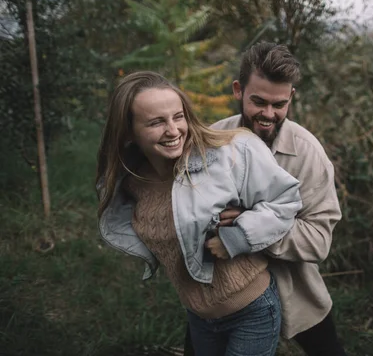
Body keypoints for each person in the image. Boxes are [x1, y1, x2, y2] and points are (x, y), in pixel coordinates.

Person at [96, 71, 303, 356]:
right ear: (129, 131)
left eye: (178, 117)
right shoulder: (131, 183)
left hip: (251, 311)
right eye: (156, 122)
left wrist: (237, 237)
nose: (173, 130)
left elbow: (286, 201)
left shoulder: (231, 153)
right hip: (198, 317)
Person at [185, 42, 347, 355]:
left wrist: (249, 227)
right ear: (238, 90)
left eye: (279, 104)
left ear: (291, 98)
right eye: (258, 101)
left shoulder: (308, 154)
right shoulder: (213, 139)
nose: (268, 114)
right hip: (222, 290)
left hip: (294, 290)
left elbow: (318, 241)